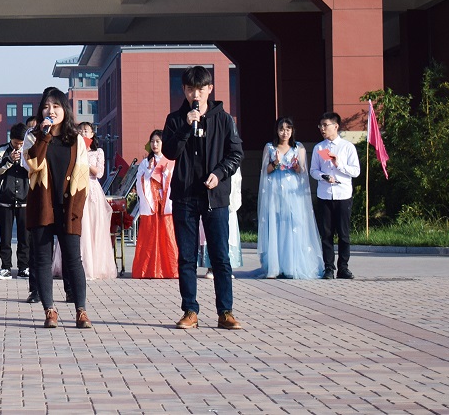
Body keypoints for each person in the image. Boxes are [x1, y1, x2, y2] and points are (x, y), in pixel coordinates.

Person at [162, 65, 244, 330]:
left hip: (214, 197)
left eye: (200, 89)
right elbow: (169, 152)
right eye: (189, 89)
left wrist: (219, 174)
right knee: (186, 257)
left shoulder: (224, 119)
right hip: (185, 196)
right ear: (184, 90)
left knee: (220, 256)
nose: (195, 94)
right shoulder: (175, 119)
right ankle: (190, 311)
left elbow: (236, 154)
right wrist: (186, 127)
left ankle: (225, 312)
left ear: (210, 89)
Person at [25, 87, 92, 329]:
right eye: (46, 107)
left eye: (56, 106)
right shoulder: (33, 136)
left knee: (73, 259)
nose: (51, 111)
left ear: (65, 110)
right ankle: (50, 310)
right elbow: (33, 163)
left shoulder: (76, 140)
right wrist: (44, 135)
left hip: (68, 206)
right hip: (42, 206)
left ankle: (81, 310)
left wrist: (76, 210)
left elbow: (82, 176)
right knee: (43, 260)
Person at [257, 117, 324, 279]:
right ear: (277, 130)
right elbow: (265, 171)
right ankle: (275, 266)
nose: (284, 132)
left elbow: (302, 171)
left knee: (293, 223)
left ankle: (292, 265)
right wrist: (275, 162)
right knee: (276, 223)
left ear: (292, 131)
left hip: (293, 191)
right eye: (281, 129)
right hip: (275, 190)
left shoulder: (298, 147)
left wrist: (296, 166)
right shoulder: (270, 147)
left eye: (288, 129)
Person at [310, 111, 360, 280]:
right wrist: (323, 176)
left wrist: (339, 164)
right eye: (320, 125)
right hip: (325, 195)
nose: (322, 129)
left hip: (343, 195)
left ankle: (343, 268)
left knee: (344, 234)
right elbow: (313, 170)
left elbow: (356, 171)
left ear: (336, 126)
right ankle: (329, 268)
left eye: (326, 125)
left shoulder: (347, 147)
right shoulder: (319, 148)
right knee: (326, 234)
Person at [132, 130, 177, 279]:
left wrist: (165, 174)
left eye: (158, 141)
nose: (155, 144)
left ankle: (170, 269)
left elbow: (173, 180)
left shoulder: (171, 161)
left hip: (165, 202)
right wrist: (149, 171)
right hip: (151, 202)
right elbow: (139, 181)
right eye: (152, 141)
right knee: (149, 236)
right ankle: (147, 269)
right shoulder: (145, 162)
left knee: (167, 235)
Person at [77, 122, 118, 281]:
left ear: (92, 134)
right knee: (80, 226)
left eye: (86, 131)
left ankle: (93, 266)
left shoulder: (97, 152)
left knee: (93, 226)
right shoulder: (74, 150)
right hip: (77, 188)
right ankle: (77, 264)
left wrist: (85, 160)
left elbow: (99, 173)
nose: (83, 133)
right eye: (80, 131)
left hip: (92, 190)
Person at [0, 122, 30, 283]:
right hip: (4, 201)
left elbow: (35, 170)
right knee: (5, 237)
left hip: (25, 200)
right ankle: (6, 267)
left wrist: (24, 160)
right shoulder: (0, 151)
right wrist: (9, 160)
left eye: (21, 143)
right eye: (15, 143)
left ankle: (23, 267)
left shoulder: (29, 150)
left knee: (24, 237)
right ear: (10, 139)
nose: (18, 146)